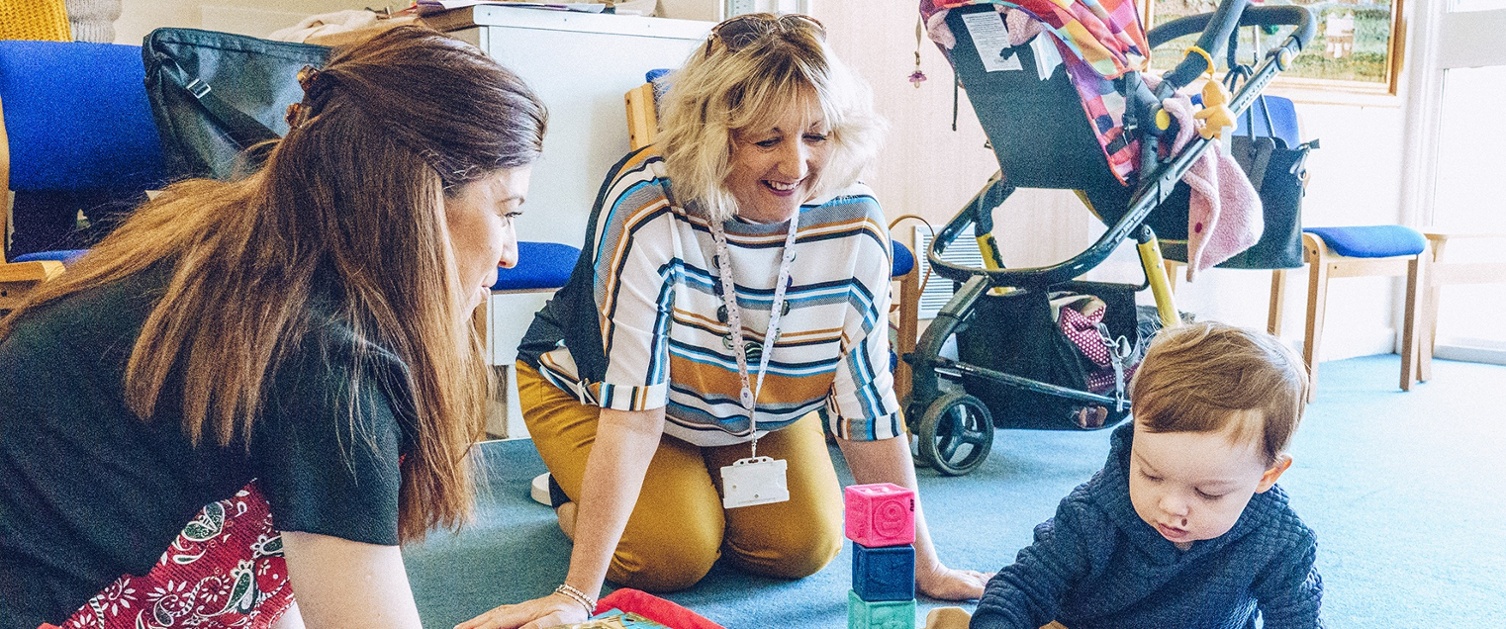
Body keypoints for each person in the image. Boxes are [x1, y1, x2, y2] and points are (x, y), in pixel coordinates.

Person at [0, 26, 547, 629]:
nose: (510, 254)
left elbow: (273, 573)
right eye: (506, 212)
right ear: (418, 201)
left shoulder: (245, 250)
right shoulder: (334, 359)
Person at [461, 13, 989, 629]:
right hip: (596, 398)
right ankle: (573, 495)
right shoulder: (647, 208)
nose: (797, 165)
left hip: (752, 407)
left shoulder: (855, 221)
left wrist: (924, 565)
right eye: (767, 140)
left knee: (804, 547)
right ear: (715, 135)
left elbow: (869, 411)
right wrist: (577, 596)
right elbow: (633, 419)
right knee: (673, 553)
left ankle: (694, 487)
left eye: (816, 136)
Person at [971, 321, 1323, 629]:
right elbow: (1021, 589)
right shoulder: (1091, 515)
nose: (1171, 507)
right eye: (1151, 475)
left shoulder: (1281, 541)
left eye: (1208, 493)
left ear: (1268, 475)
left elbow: (1297, 619)